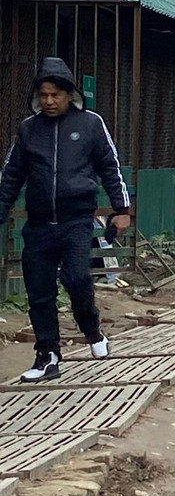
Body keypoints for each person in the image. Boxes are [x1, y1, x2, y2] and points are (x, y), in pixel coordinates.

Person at [0, 57, 131, 383]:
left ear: (69, 94)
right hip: (40, 225)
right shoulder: (29, 130)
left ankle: (92, 329)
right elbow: (11, 177)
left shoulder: (90, 124)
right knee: (39, 291)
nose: (49, 101)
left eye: (55, 95)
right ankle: (48, 356)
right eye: (43, 95)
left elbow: (110, 168)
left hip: (76, 221)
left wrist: (121, 210)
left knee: (76, 279)